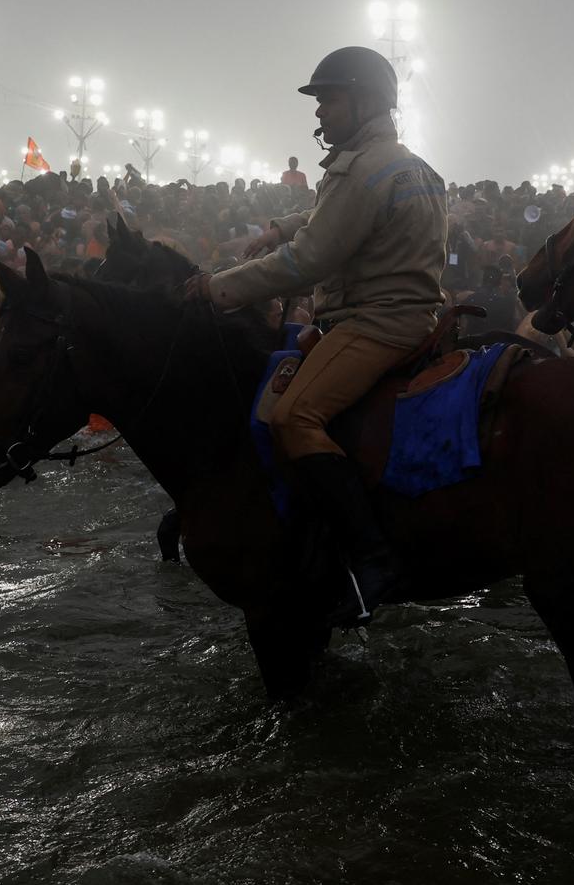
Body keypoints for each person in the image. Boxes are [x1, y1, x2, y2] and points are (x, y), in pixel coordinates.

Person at [186, 45, 448, 623]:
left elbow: (308, 260)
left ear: (364, 101)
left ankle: (372, 557)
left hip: (374, 323)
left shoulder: (359, 171)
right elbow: (337, 216)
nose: (320, 113)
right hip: (417, 316)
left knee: (292, 418)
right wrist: (280, 225)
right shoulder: (408, 165)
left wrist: (217, 289)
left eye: (329, 99)